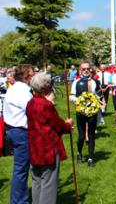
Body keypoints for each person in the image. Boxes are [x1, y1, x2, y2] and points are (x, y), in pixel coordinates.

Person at [26, 73, 73, 204]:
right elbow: (59, 125)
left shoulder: (30, 103)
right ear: (46, 87)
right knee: (48, 184)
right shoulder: (45, 105)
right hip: (47, 149)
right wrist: (68, 124)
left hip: (35, 147)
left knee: (37, 180)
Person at [3, 64, 34, 204]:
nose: (34, 77)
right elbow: (32, 111)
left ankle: (18, 199)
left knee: (20, 169)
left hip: (11, 129)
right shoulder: (23, 92)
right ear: (26, 76)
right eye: (32, 74)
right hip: (20, 132)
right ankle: (19, 201)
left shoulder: (15, 88)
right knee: (21, 170)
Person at [69, 61, 101, 167]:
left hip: (92, 111)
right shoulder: (76, 82)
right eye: (83, 69)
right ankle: (79, 153)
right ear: (80, 70)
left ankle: (91, 158)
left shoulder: (95, 82)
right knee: (82, 136)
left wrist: (96, 100)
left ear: (90, 69)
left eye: (88, 68)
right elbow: (71, 96)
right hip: (81, 111)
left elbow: (99, 94)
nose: (86, 70)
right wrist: (80, 100)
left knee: (91, 135)